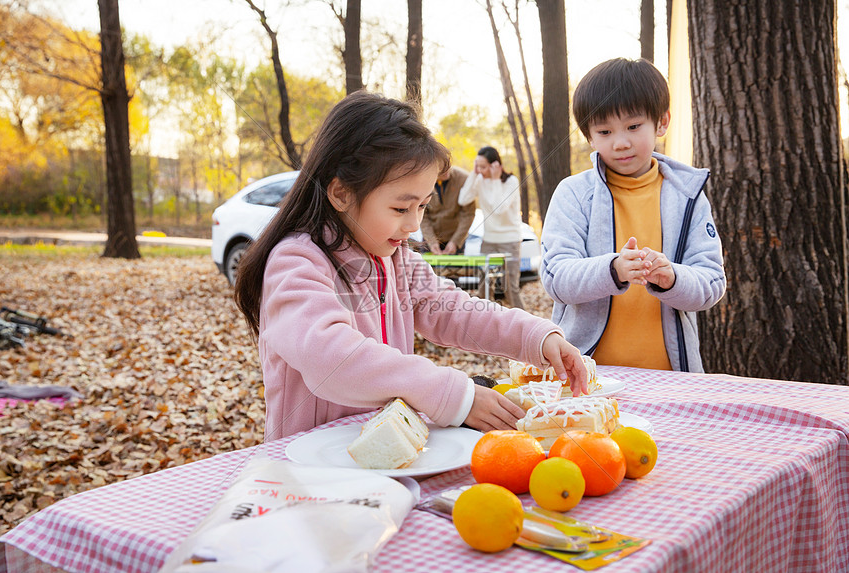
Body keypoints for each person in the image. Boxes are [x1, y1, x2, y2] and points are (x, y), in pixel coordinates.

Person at [233, 91, 589, 441]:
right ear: (341, 194)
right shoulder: (296, 262)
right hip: (310, 469)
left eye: (422, 206)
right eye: (401, 208)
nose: (413, 225)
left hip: (389, 452)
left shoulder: (397, 260)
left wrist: (536, 337)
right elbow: (333, 359)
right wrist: (453, 395)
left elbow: (458, 311)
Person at [540, 58, 726, 372]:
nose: (621, 142)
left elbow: (711, 283)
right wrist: (613, 269)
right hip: (586, 378)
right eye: (605, 131)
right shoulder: (573, 194)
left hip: (672, 378)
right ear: (589, 136)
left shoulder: (688, 195)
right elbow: (557, 278)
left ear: (662, 122)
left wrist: (672, 278)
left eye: (633, 126)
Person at [457, 146, 525, 309]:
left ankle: (527, 328)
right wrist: (473, 174)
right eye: (477, 166)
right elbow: (463, 199)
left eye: (483, 167)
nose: (480, 170)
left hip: (510, 241)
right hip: (488, 240)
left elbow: (499, 208)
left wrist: (495, 180)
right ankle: (485, 326)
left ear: (495, 165)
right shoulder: (480, 179)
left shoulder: (511, 182)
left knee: (511, 289)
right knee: (484, 287)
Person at [420, 165, 474, 255]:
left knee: (458, 269)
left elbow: (468, 215)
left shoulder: (464, 179)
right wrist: (432, 241)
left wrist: (455, 241)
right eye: (441, 168)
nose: (446, 171)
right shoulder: (422, 181)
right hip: (429, 240)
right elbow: (423, 216)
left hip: (456, 239)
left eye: (447, 166)